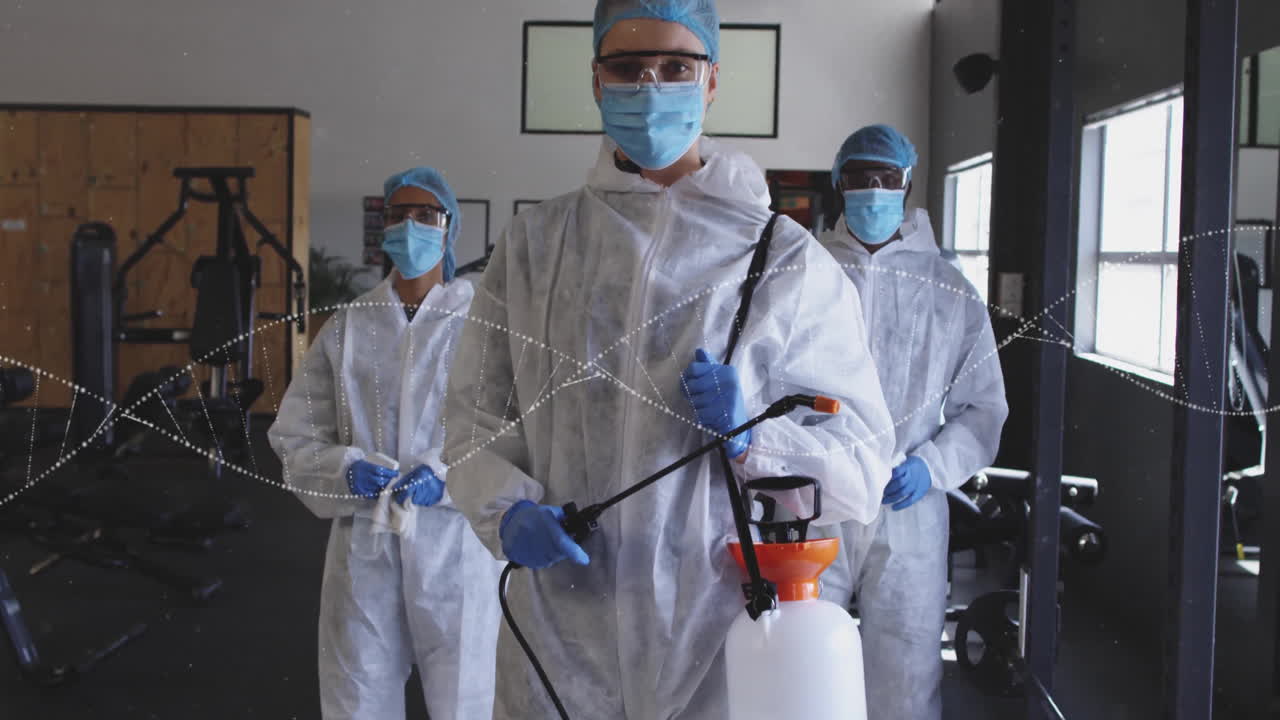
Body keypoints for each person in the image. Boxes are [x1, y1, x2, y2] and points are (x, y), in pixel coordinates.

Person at [441, 2, 896, 718]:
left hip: (717, 634)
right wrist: (505, 510)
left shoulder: (780, 257)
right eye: (627, 68)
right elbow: (472, 420)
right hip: (561, 631)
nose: (651, 87)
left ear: (711, 81)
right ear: (595, 81)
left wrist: (756, 438)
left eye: (676, 67)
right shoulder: (536, 246)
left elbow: (862, 466)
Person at [268, 167, 501, 720]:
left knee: (469, 693)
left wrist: (445, 474)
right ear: (382, 228)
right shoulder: (350, 325)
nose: (411, 226)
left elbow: (510, 428)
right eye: (399, 215)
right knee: (358, 692)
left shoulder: (483, 322)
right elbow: (295, 432)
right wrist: (341, 470)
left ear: (450, 228)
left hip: (456, 546)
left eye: (427, 215)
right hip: (365, 543)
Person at [818, 125, 1009, 720]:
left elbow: (985, 407)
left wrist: (933, 467)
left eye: (885, 179)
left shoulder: (948, 288)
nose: (872, 191)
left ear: (906, 182)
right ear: (838, 185)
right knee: (803, 660)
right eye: (858, 179)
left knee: (904, 668)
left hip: (909, 510)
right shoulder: (807, 272)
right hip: (817, 499)